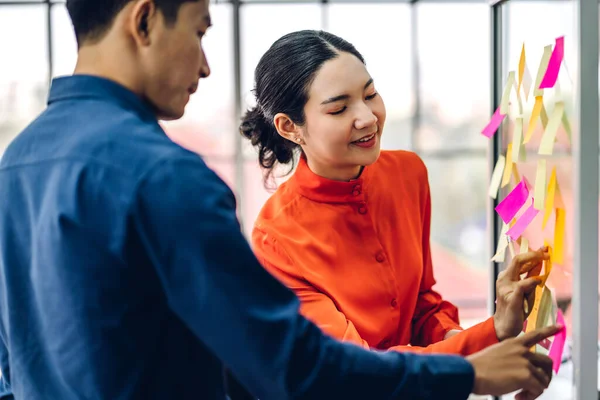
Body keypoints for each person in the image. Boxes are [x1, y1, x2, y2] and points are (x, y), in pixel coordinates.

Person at [0, 1, 559, 399]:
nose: (204, 64)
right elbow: (290, 368)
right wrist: (472, 372)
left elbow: (11, 361)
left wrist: (489, 337)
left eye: (369, 95)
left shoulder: (15, 163)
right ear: (143, 20)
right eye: (199, 32)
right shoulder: (166, 178)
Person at [242, 29, 542, 356]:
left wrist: (488, 331)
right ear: (290, 127)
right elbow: (356, 369)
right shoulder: (276, 238)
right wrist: (481, 351)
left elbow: (422, 307)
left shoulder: (407, 174)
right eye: (339, 109)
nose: (368, 118)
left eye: (370, 95)